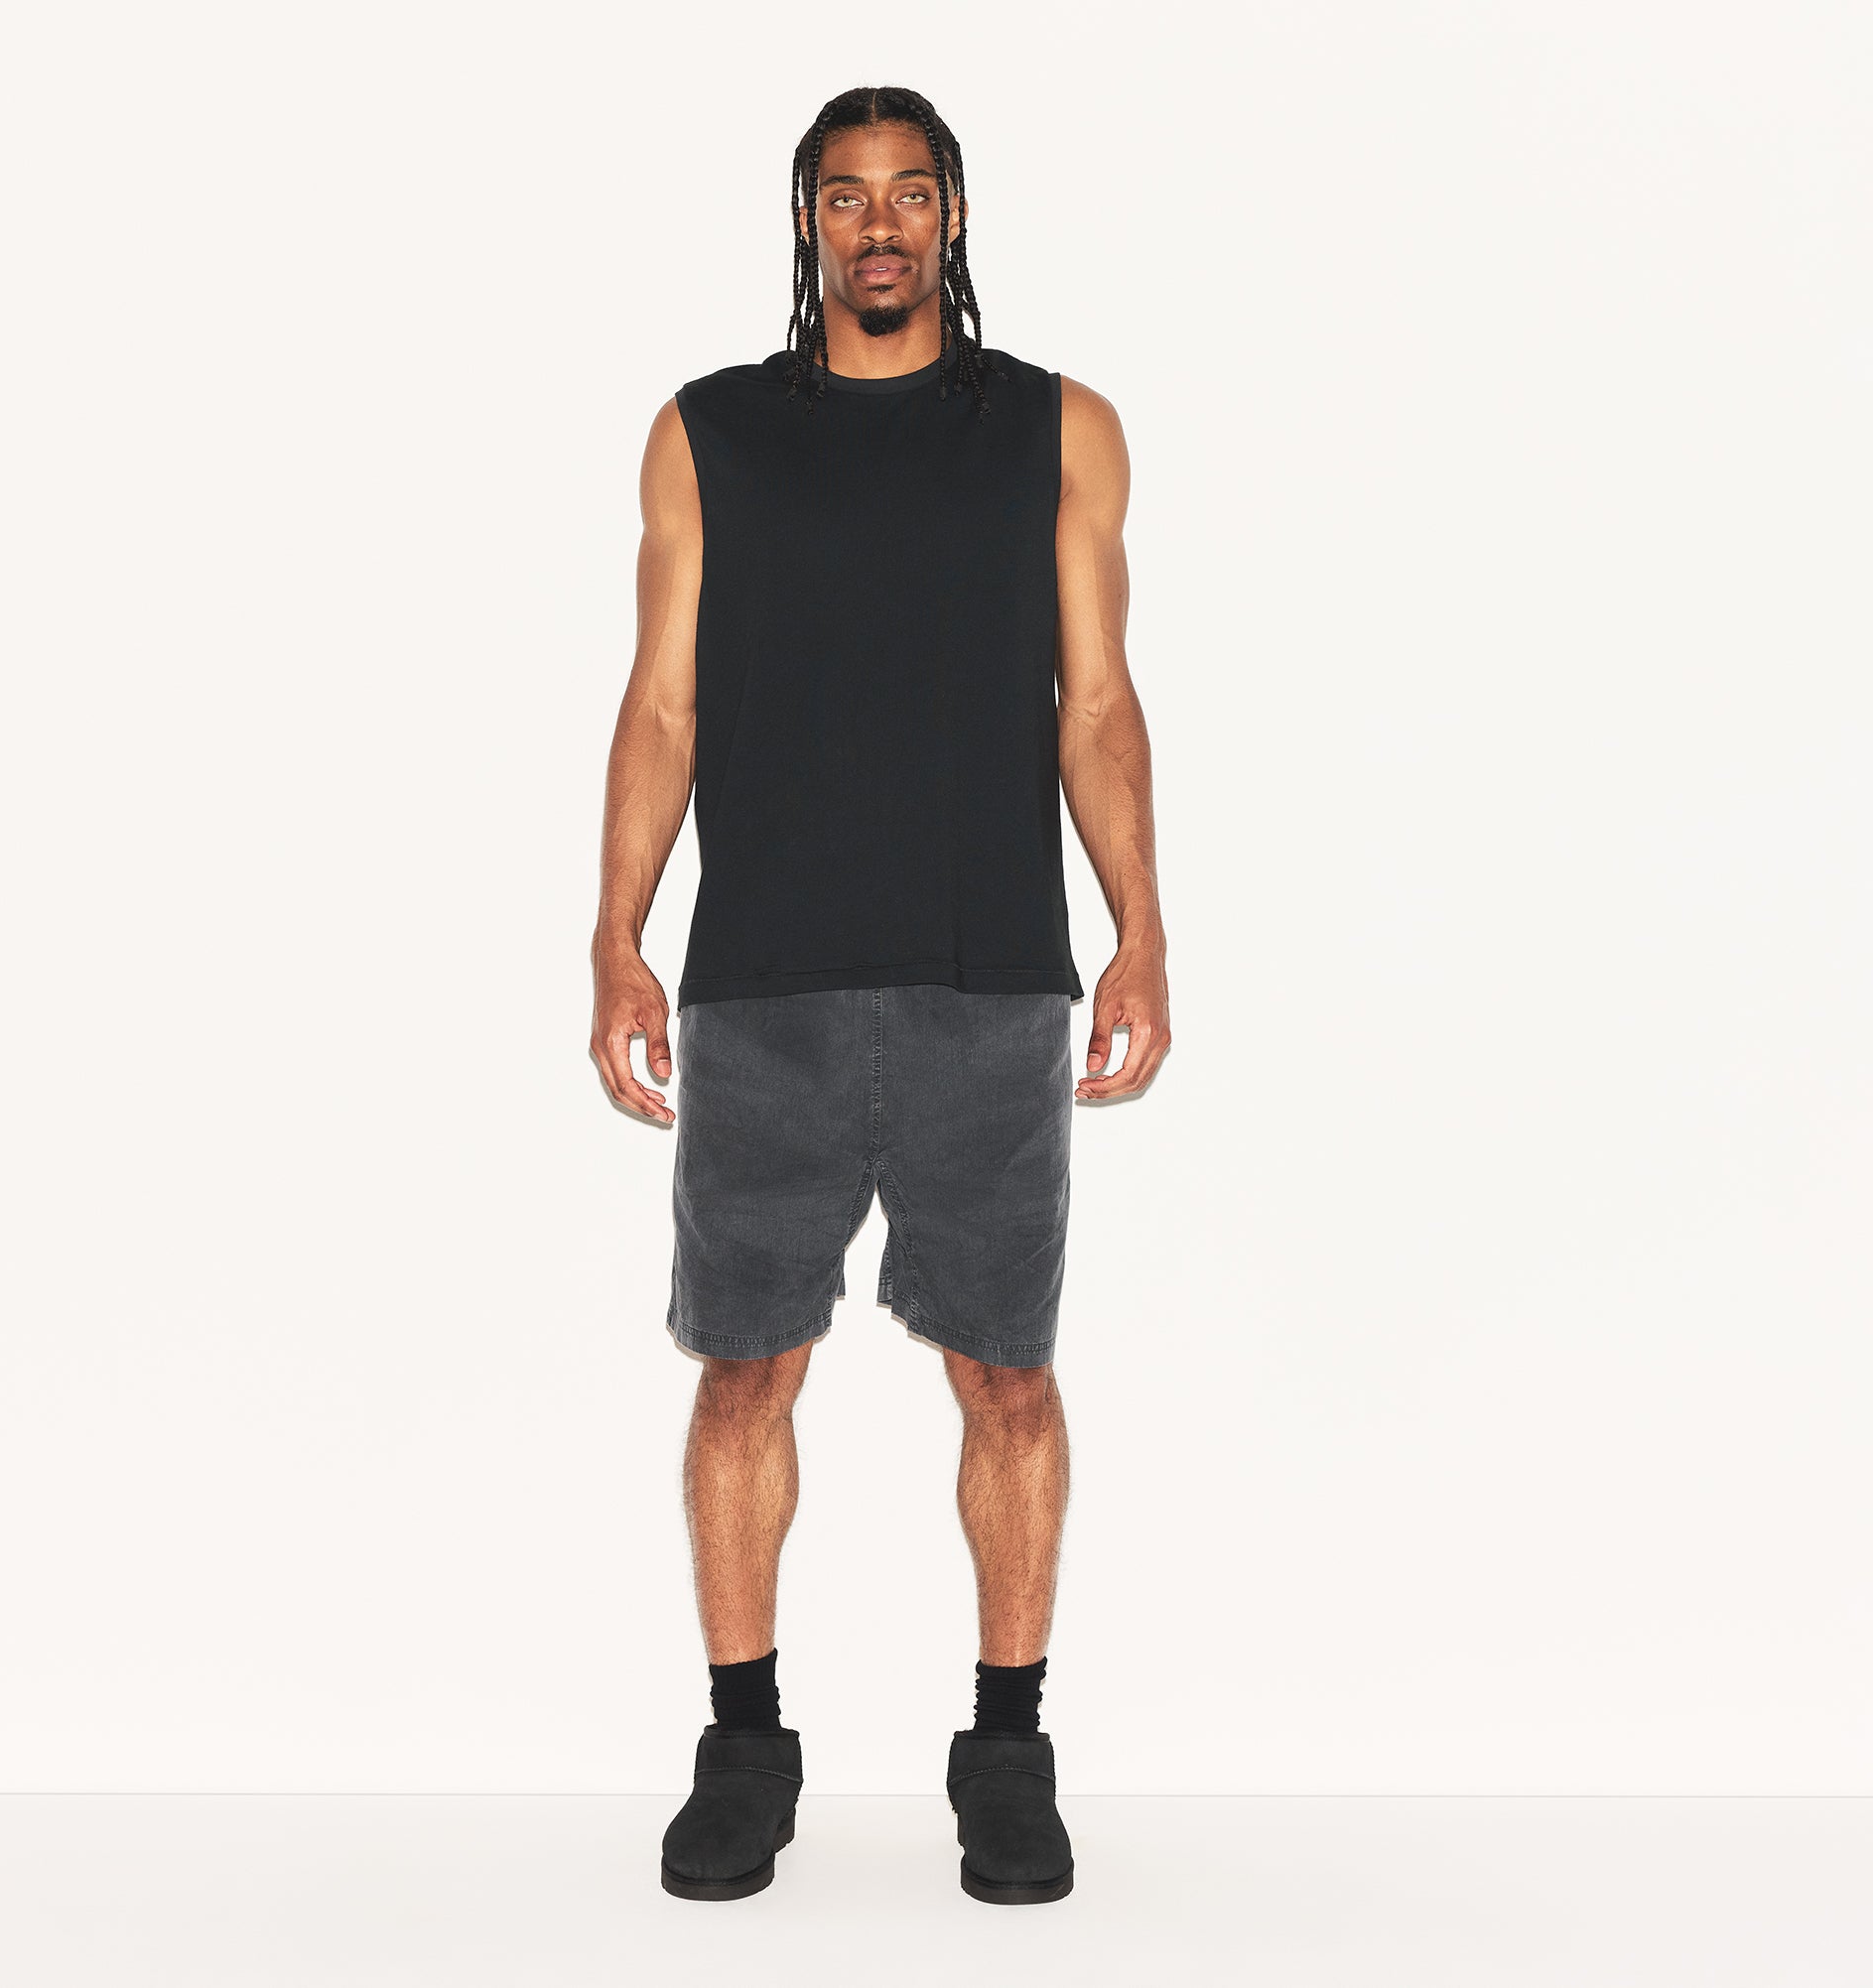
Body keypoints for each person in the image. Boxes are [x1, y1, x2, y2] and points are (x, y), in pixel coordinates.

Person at [590, 83, 1169, 1906]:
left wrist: (1141, 926)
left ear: (954, 217)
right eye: (846, 199)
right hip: (761, 978)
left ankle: (1007, 1747)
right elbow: (663, 704)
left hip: (989, 977)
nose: (880, 226)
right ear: (808, 227)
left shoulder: (1060, 431)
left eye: (911, 194)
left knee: (1008, 1376)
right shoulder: (710, 434)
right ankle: (744, 1744)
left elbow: (1097, 701)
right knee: (743, 1370)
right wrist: (617, 932)